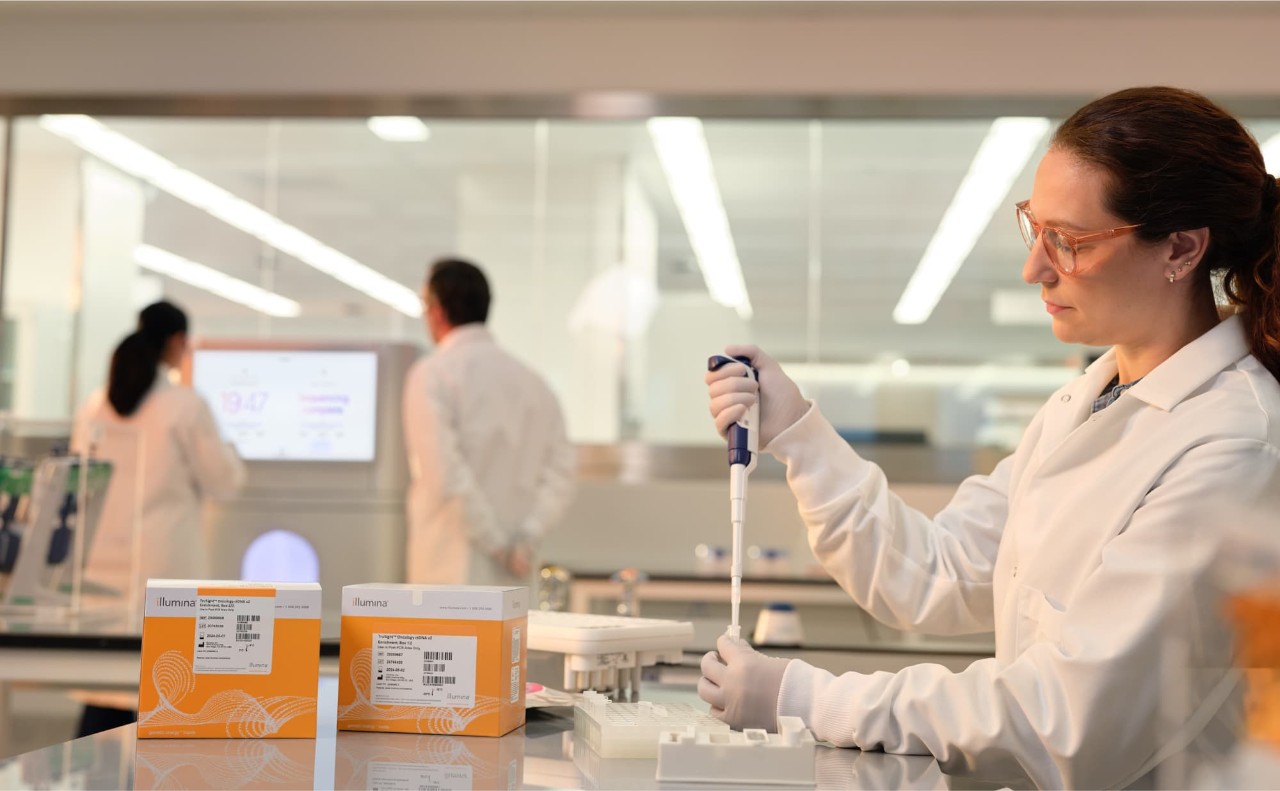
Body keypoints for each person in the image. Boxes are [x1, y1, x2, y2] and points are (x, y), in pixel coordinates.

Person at [701, 87, 1280, 789]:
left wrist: (805, 698)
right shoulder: (1085, 401)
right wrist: (798, 430)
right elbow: (936, 572)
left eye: (1069, 240)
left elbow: (1064, 719)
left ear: (1182, 249)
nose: (1034, 267)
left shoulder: (1236, 441)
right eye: (1034, 228)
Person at [70, 300, 246, 734]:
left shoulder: (96, 404)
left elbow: (75, 479)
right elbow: (224, 481)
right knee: (162, 697)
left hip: (100, 564)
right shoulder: (184, 406)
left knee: (105, 695)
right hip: (163, 564)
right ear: (176, 342)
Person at [402, 258, 576, 587]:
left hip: (449, 571)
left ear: (436, 310)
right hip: (514, 570)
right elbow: (562, 473)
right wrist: (524, 539)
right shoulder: (534, 384)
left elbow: (443, 475)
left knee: (445, 640)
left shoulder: (431, 376)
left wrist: (495, 544)